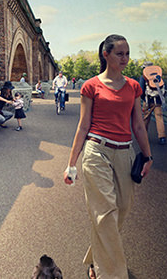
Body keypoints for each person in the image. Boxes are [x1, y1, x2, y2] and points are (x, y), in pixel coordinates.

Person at [63, 34, 153, 279]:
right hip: (96, 151)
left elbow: (138, 125)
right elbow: (83, 126)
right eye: (119, 53)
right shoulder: (91, 86)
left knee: (121, 210)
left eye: (127, 53)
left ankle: (95, 258)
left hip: (125, 152)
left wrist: (147, 156)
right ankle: (112, 274)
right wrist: (71, 164)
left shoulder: (133, 86)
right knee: (105, 213)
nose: (125, 58)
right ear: (106, 54)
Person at [138, 62, 167, 145]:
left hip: (148, 100)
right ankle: (162, 137)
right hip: (158, 101)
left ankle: (143, 136)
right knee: (159, 117)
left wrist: (144, 99)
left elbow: (141, 90)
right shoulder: (158, 75)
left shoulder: (143, 77)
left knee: (146, 118)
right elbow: (164, 87)